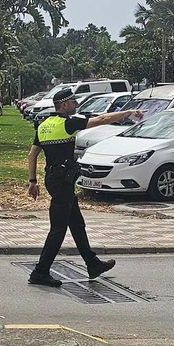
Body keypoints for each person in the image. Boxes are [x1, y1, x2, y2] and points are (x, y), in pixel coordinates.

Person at [25, 87, 140, 287]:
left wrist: (32, 181)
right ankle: (40, 272)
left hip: (54, 179)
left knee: (77, 225)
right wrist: (128, 112)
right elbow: (103, 119)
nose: (76, 105)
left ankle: (92, 263)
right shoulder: (68, 123)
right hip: (62, 182)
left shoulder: (43, 125)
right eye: (73, 102)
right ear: (64, 104)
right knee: (58, 230)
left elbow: (32, 155)